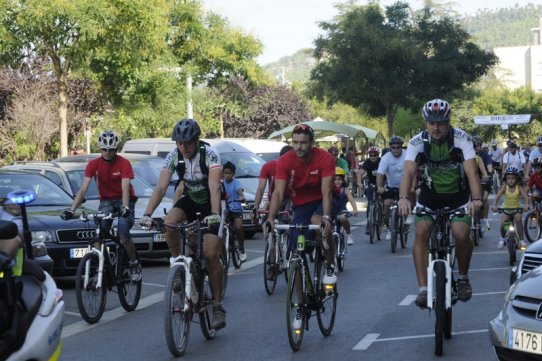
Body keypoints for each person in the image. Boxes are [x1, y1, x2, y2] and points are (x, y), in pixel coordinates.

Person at [139, 118, 226, 330]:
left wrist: (214, 214)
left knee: (211, 253)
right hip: (190, 199)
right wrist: (148, 214)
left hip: (210, 202)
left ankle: (216, 306)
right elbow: (160, 188)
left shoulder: (210, 154)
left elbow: (214, 187)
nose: (183, 147)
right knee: (169, 222)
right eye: (179, 143)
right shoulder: (173, 156)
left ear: (196, 141)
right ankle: (178, 264)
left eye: (187, 143)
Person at [397, 99, 483, 309]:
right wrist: (403, 198)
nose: (436, 128)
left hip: (457, 195)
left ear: (448, 122)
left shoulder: (462, 139)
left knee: (462, 233)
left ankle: (462, 278)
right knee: (421, 233)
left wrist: (477, 199)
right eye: (431, 123)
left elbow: (472, 172)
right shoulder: (418, 142)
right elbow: (408, 172)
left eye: (441, 123)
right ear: (426, 123)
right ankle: (423, 289)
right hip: (430, 196)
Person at [61, 130, 141, 282]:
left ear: (116, 149)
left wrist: (125, 207)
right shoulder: (93, 165)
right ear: (100, 149)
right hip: (106, 201)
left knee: (123, 235)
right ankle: (99, 267)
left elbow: (125, 188)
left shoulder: (124, 163)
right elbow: (83, 189)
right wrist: (72, 210)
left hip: (126, 200)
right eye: (105, 149)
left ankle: (133, 263)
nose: (108, 153)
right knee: (99, 234)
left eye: (111, 150)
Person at [266, 123, 337, 285]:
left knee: (318, 223)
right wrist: (270, 218)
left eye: (303, 143)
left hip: (321, 200)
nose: (299, 147)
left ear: (312, 143)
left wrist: (326, 217)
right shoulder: (284, 161)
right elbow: (278, 192)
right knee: (295, 254)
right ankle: (300, 305)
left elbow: (327, 191)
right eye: (295, 142)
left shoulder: (324, 158)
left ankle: (330, 264)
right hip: (300, 206)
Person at [376, 136, 413, 238]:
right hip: (391, 186)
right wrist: (379, 187)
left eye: (398, 147)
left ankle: (408, 217)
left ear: (402, 147)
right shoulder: (385, 158)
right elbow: (380, 174)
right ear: (390, 148)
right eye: (393, 147)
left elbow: (412, 172)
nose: (396, 149)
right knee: (387, 204)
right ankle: (389, 227)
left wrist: (413, 186)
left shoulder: (407, 156)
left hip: (405, 186)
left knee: (410, 196)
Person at [492, 166, 529, 249]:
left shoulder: (519, 187)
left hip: (517, 208)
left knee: (518, 220)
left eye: (513, 178)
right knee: (504, 223)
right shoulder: (504, 187)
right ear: (506, 179)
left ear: (516, 179)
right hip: (506, 209)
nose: (510, 180)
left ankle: (521, 240)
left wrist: (526, 205)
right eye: (508, 178)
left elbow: (526, 197)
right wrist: (494, 205)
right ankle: (502, 239)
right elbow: (497, 197)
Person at [253, 145, 293, 213]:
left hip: (290, 199)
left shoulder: (296, 168)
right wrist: (255, 207)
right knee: (266, 220)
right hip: (273, 199)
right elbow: (261, 188)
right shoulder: (268, 166)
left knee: (287, 215)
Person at [222, 161, 247, 262]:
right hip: (224, 210)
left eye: (230, 173)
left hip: (236, 210)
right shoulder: (220, 182)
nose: (227, 175)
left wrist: (241, 197)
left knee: (238, 227)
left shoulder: (236, 183)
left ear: (233, 174)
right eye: (225, 173)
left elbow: (240, 193)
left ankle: (241, 249)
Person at [333, 167, 358, 245]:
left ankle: (349, 234)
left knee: (343, 218)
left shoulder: (345, 190)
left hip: (342, 212)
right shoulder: (329, 189)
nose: (337, 181)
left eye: (339, 179)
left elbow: (351, 200)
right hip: (331, 212)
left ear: (343, 180)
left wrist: (355, 209)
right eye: (335, 179)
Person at [472, 136, 493, 231]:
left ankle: (485, 218)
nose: (476, 147)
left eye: (478, 145)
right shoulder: (469, 155)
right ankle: (472, 219)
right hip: (473, 180)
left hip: (484, 180)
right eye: (474, 146)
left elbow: (489, 165)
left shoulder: (485, 155)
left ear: (481, 146)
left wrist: (489, 170)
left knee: (484, 198)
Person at [360, 146, 381, 234]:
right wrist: (359, 183)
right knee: (370, 203)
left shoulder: (381, 161)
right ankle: (369, 223)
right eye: (371, 155)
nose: (372, 157)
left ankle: (381, 213)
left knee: (382, 198)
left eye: (374, 155)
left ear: (378, 155)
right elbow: (360, 173)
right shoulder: (367, 162)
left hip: (382, 182)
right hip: (371, 183)